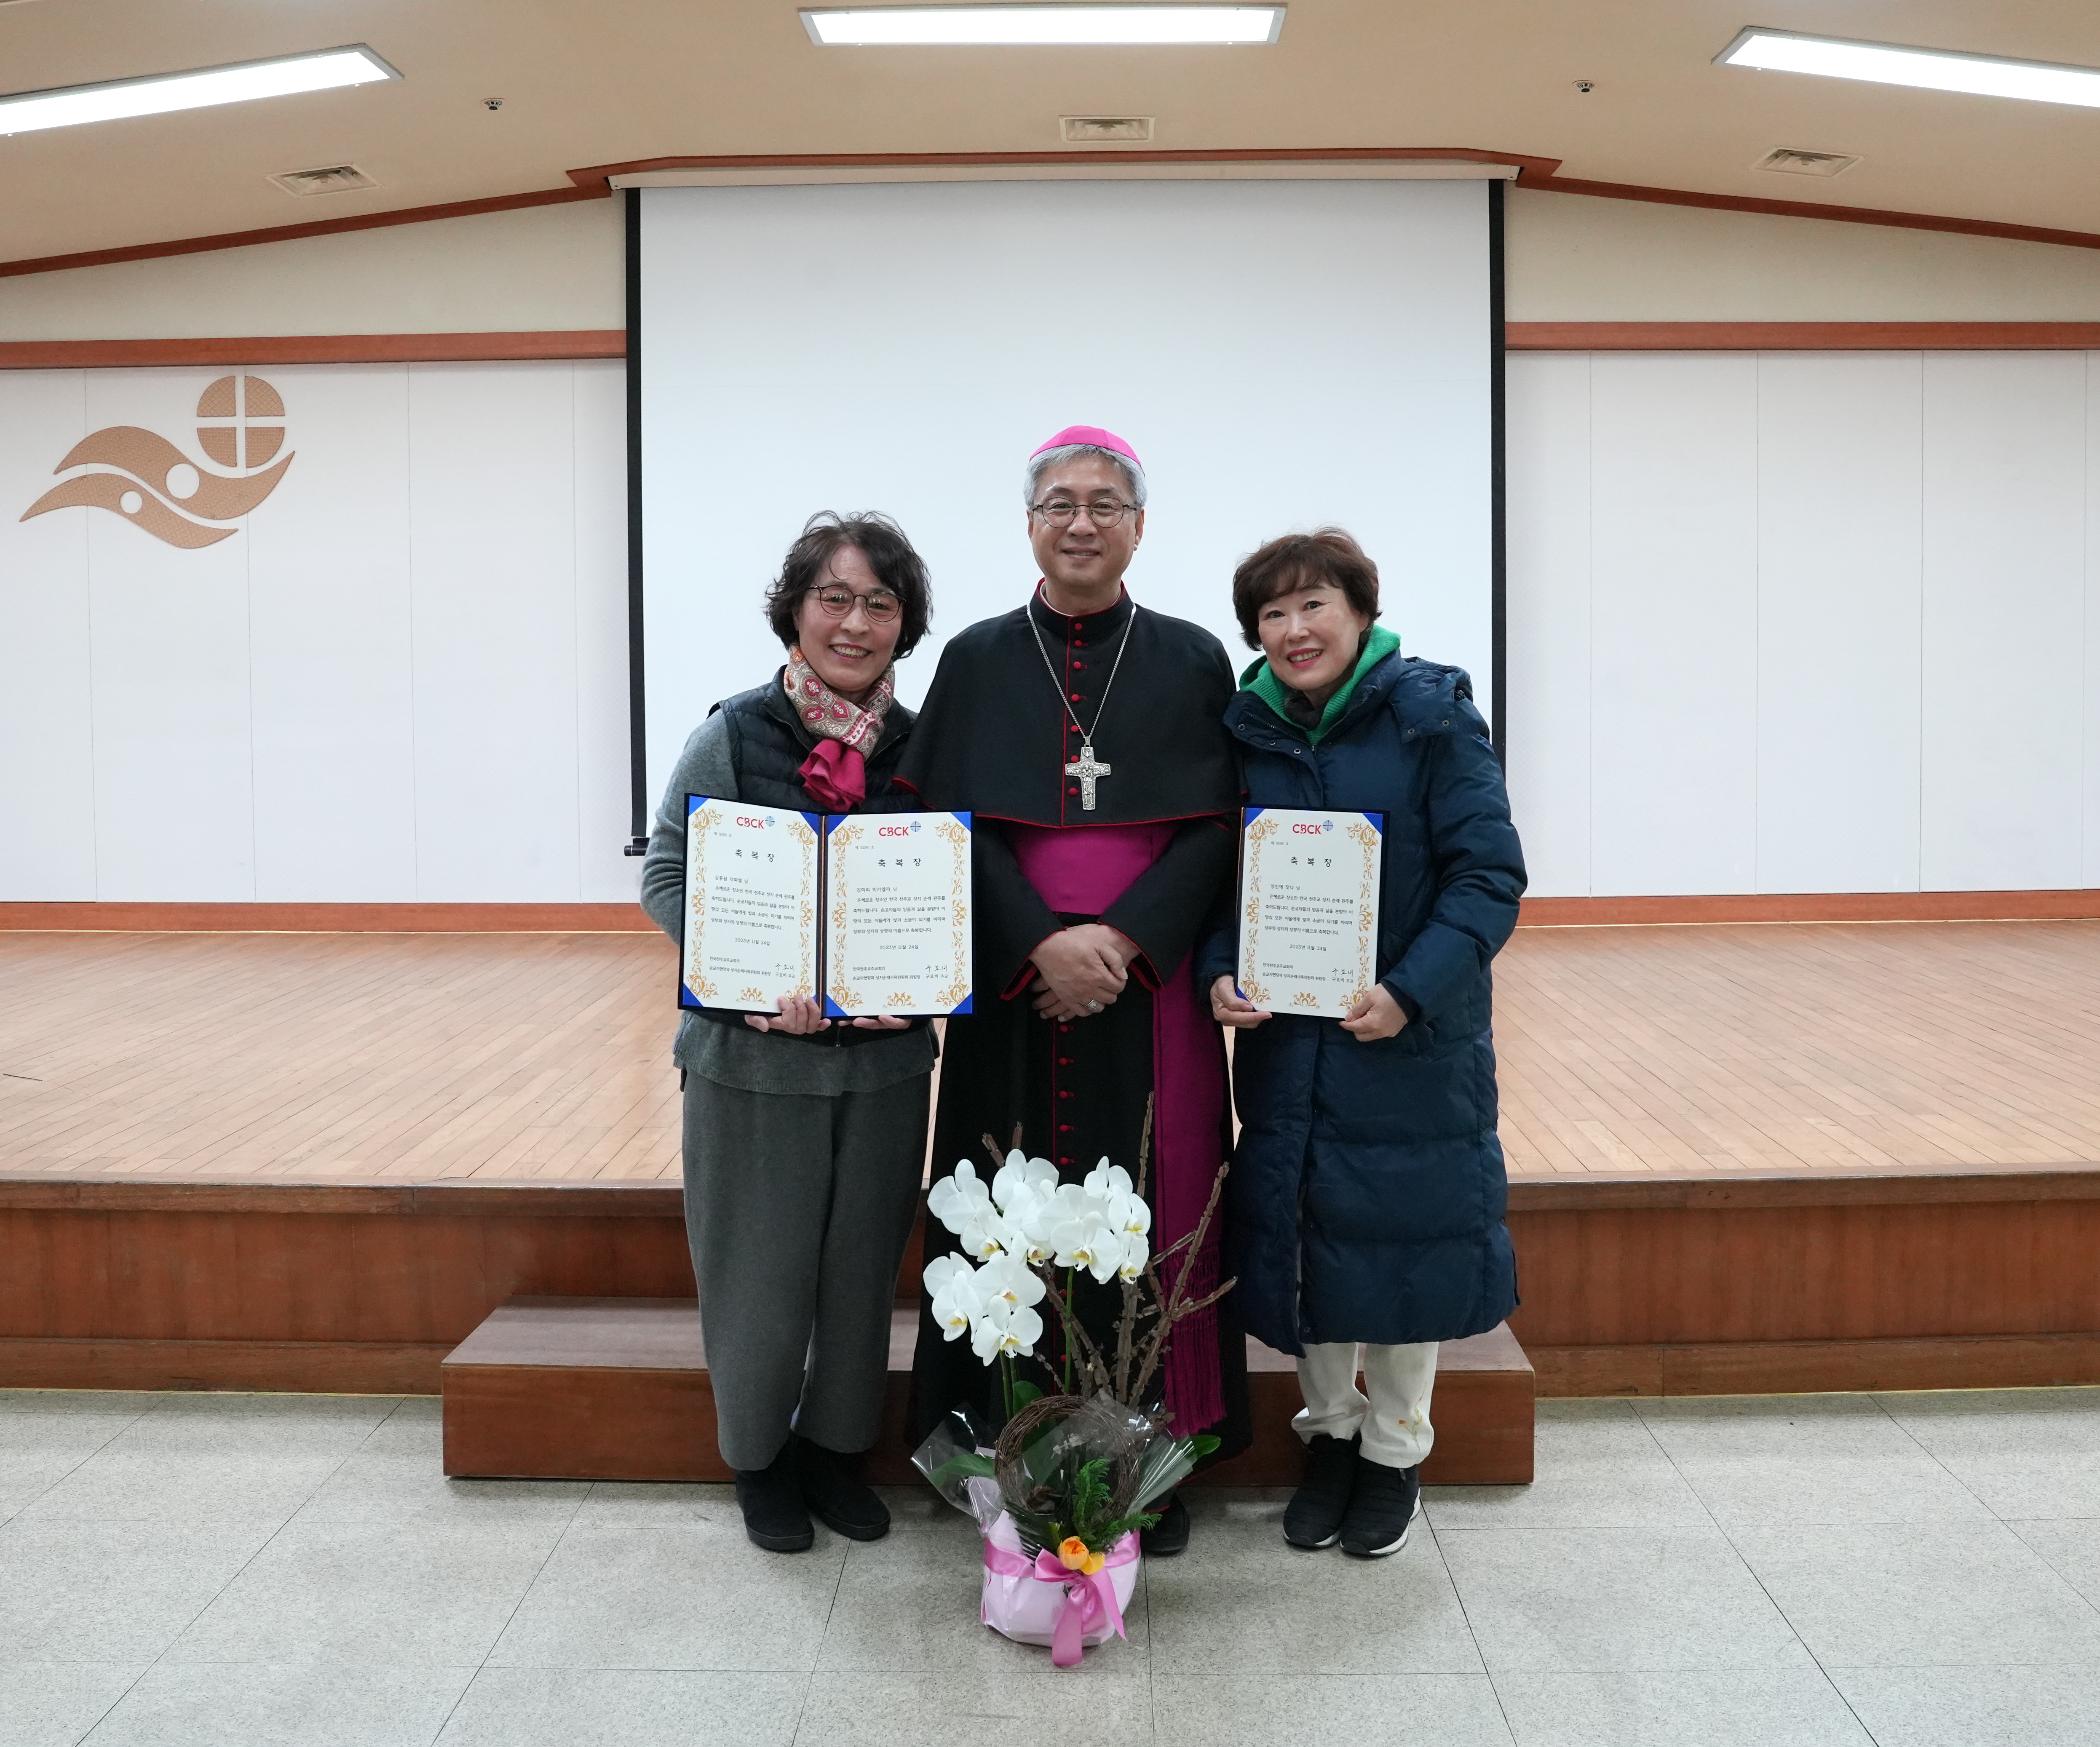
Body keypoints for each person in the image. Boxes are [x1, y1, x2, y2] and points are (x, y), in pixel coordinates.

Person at [894, 427, 1250, 1556]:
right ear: (1030, 524)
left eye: (1105, 503)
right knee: (1003, 1210)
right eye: (1059, 502)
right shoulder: (980, 658)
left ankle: (1151, 1458)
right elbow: (952, 826)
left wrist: (1126, 942)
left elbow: (1214, 831)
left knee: (1153, 1206)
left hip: (1152, 994)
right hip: (1016, 992)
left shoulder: (1193, 658)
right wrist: (1040, 944)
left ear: (1139, 526)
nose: (1081, 520)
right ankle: (999, 1446)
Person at [1201, 528, 1525, 1560]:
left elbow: (1488, 876)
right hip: (1294, 1042)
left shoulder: (1431, 715)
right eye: (1273, 613)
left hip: (1406, 1040)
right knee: (1309, 1233)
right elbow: (1225, 881)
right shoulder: (1245, 728)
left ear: (1362, 612)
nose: (1295, 630)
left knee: (1399, 1243)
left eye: (1314, 606)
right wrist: (1221, 966)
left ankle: (1394, 1450)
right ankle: (1329, 1438)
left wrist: (1409, 992)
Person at [639, 511, 940, 1555]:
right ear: (796, 609)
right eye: (834, 597)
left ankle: (834, 1451)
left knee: (861, 1279)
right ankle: (759, 1459)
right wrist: (748, 982)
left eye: (880, 603)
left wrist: (928, 981)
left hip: (887, 1066)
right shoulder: (731, 732)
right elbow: (668, 872)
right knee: (758, 1275)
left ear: (904, 624)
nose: (854, 623)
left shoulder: (924, 743)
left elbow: (953, 893)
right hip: (752, 1060)